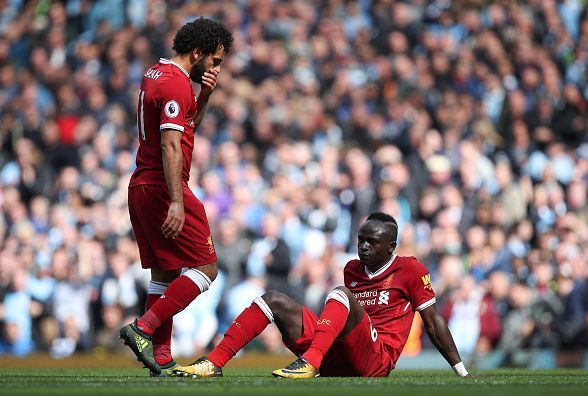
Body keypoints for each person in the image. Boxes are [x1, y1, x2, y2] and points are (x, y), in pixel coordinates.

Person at [172, 212, 471, 378]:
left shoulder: (410, 269)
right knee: (273, 298)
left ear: (391, 247)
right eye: (361, 240)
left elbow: (432, 321)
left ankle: (310, 362)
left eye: (372, 242)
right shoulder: (352, 268)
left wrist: (461, 372)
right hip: (339, 356)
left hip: (376, 362)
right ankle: (214, 362)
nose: (363, 247)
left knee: (340, 295)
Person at [119, 17, 233, 376]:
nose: (215, 68)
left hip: (141, 184)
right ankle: (143, 328)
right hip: (163, 187)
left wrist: (207, 95)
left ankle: (162, 355)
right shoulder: (175, 85)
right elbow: (171, 144)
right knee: (207, 267)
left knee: (165, 271)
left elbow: (186, 126)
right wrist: (177, 200)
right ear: (197, 53)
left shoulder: (156, 74)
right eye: (214, 61)